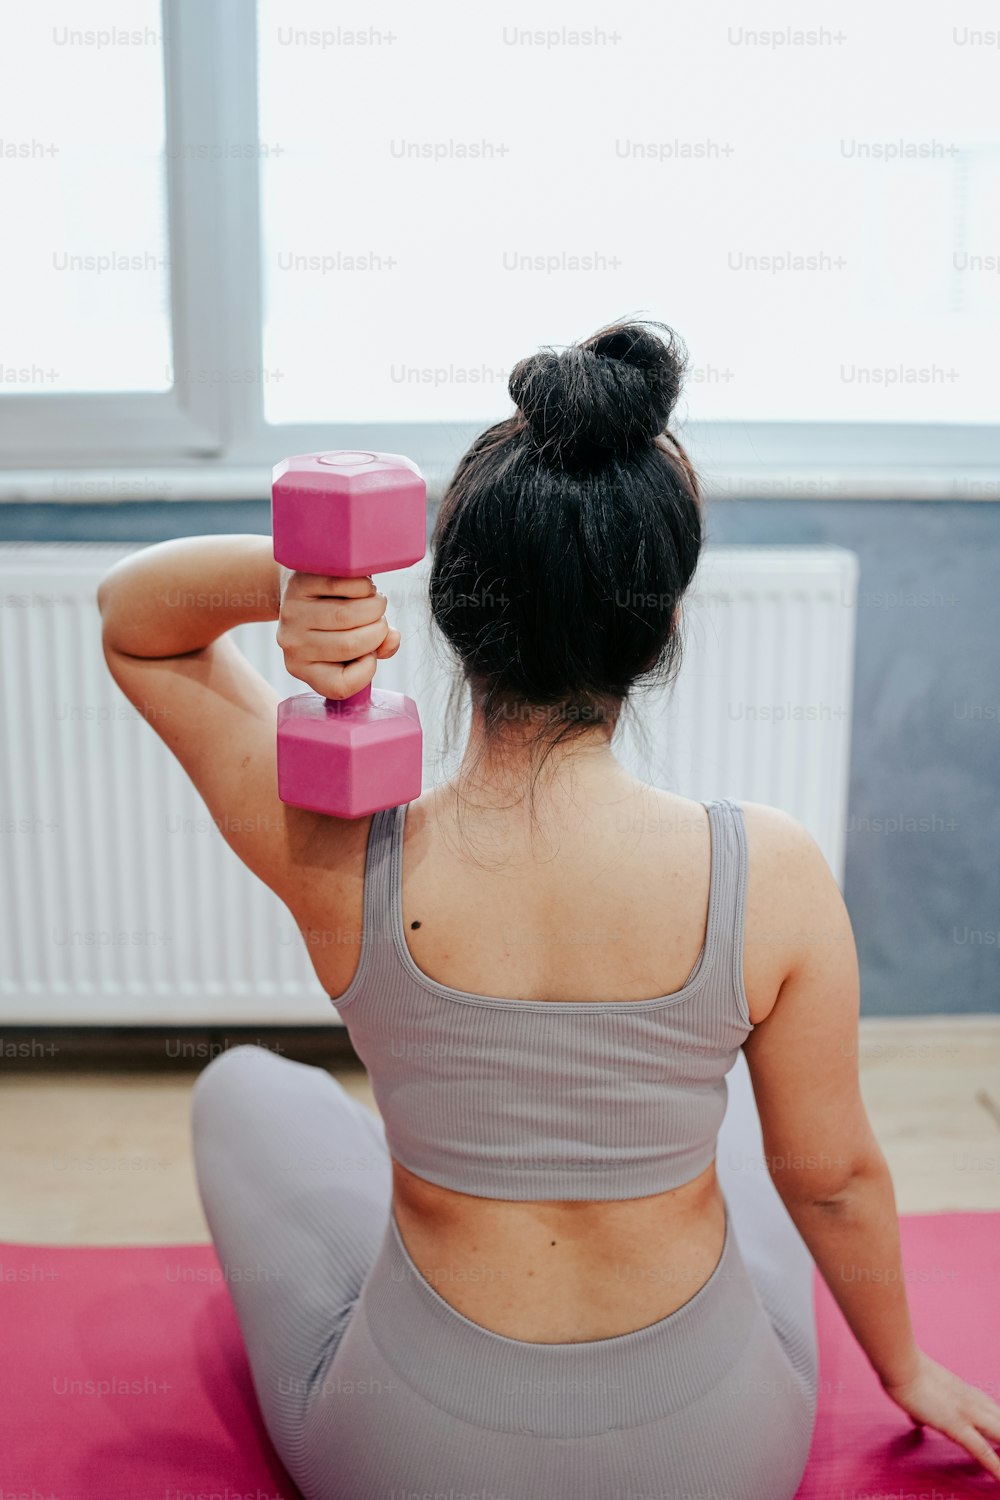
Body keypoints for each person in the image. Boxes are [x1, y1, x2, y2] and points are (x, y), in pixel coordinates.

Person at [97, 320, 1000, 1499]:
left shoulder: (338, 848)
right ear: (662, 624)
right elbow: (831, 1179)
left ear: (453, 611)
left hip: (411, 1457)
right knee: (748, 1124)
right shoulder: (768, 873)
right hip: (715, 1455)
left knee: (241, 1087)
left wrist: (291, 588)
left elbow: (136, 628)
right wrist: (908, 1369)